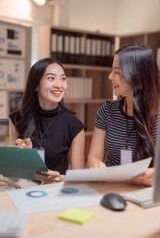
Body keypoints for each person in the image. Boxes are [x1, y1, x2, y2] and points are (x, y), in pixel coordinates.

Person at [87, 43, 160, 187]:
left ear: (138, 76)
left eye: (116, 71)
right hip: (111, 187)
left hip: (146, 190)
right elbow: (94, 156)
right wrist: (96, 165)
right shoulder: (106, 111)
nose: (110, 77)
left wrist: (156, 175)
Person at [8, 57, 85, 186]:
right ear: (36, 85)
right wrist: (22, 155)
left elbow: (78, 179)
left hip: (55, 189)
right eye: (51, 78)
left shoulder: (74, 125)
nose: (59, 85)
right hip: (22, 187)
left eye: (63, 78)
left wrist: (59, 179)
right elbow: (12, 170)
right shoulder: (17, 119)